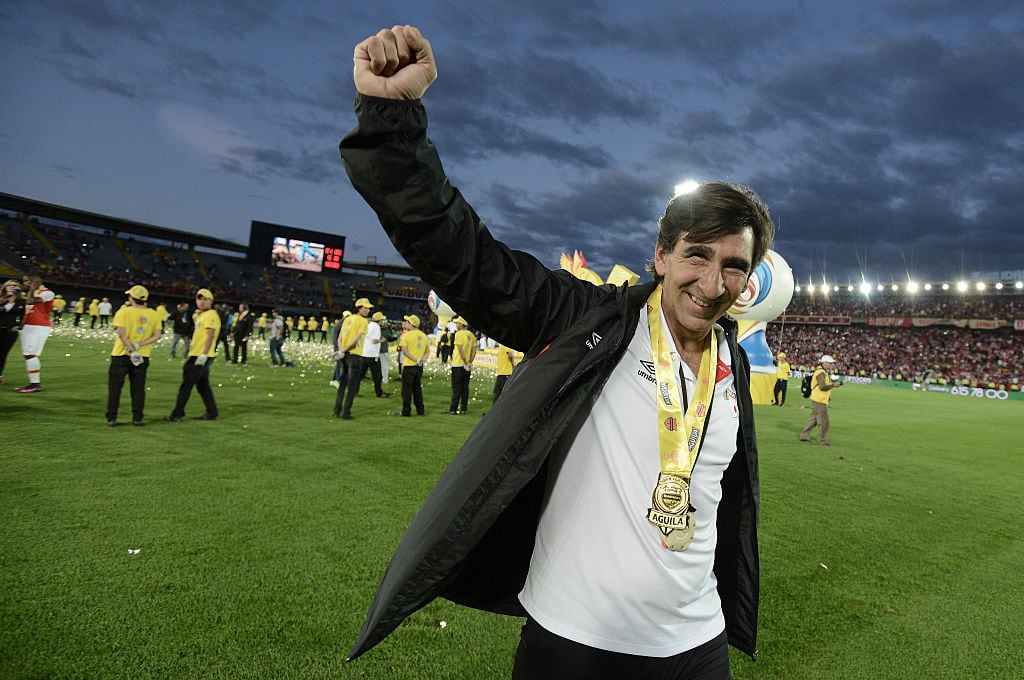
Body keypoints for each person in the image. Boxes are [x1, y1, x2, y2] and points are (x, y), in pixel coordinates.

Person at [341, 25, 772, 677]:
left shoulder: (732, 366)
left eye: (735, 267)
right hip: (573, 644)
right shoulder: (587, 320)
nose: (713, 283)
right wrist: (391, 116)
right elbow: (467, 259)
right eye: (698, 256)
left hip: (696, 648)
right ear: (661, 257)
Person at [105, 285, 162, 426]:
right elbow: (157, 335)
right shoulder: (154, 314)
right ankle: (137, 418)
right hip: (142, 356)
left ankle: (112, 418)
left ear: (132, 298)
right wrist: (139, 346)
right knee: (138, 389)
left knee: (115, 388)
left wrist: (131, 350)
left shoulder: (124, 312)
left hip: (121, 354)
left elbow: (121, 334)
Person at [165, 289, 220, 422]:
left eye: (204, 299)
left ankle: (177, 413)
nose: (201, 301)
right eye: (199, 299)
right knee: (202, 385)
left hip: (201, 355)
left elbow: (210, 337)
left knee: (187, 384)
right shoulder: (202, 315)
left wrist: (203, 355)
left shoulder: (211, 315)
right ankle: (212, 412)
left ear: (210, 301)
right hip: (198, 354)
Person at [332, 298, 373, 419]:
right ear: (359, 308)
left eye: (368, 308)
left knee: (342, 383)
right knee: (352, 386)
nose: (367, 310)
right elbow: (356, 339)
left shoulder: (348, 319)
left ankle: (336, 410)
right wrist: (343, 350)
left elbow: (340, 337)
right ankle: (346, 412)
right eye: (365, 308)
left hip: (344, 354)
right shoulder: (363, 321)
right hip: (355, 355)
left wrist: (341, 350)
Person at [16, 275, 55, 393]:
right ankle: (33, 383)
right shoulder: (32, 293)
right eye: (24, 281)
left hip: (39, 326)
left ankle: (35, 384)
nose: (26, 283)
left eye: (28, 281)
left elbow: (31, 301)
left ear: (36, 281)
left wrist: (33, 288)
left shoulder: (47, 293)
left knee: (30, 354)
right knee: (27, 354)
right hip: (29, 325)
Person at [799, 354, 841, 446]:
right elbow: (822, 386)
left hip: (818, 398)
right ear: (825, 363)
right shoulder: (821, 372)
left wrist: (828, 396)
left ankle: (804, 436)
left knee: (813, 419)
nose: (831, 365)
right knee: (824, 421)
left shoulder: (821, 371)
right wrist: (834, 385)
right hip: (820, 400)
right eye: (830, 363)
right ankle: (822, 440)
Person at [395, 313, 428, 416]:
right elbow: (427, 351)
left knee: (407, 390)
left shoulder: (406, 335)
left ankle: (406, 411)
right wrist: (422, 360)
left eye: (407, 322)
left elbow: (404, 351)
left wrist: (415, 359)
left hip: (409, 366)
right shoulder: (423, 335)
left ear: (411, 324)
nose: (405, 324)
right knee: (417, 388)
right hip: (419, 367)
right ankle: (420, 410)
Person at [447, 315, 475, 414]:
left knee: (456, 387)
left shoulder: (459, 334)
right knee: (465, 387)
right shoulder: (471, 335)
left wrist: (464, 362)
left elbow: (460, 349)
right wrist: (469, 362)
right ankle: (464, 408)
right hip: (467, 366)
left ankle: (453, 409)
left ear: (462, 324)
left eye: (457, 323)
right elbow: (474, 350)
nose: (456, 324)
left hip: (458, 364)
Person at [0, 279, 25, 385]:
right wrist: (9, 298)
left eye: (15, 285)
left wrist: (18, 327)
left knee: (2, 355)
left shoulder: (21, 302)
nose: (12, 286)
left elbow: (24, 317)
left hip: (9, 332)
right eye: (9, 285)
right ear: (4, 287)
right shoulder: (1, 299)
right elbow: (4, 310)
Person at [362, 310, 390, 398]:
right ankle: (379, 392)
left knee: (360, 374)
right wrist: (381, 340)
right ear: (379, 320)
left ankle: (353, 391)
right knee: (377, 375)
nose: (382, 321)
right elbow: (374, 341)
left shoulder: (370, 325)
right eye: (382, 320)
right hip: (372, 354)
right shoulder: (377, 327)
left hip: (365, 353)